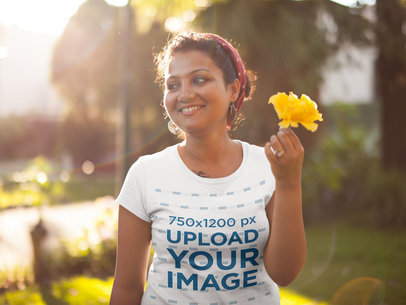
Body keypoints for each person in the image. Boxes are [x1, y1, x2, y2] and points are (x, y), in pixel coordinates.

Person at [110, 32, 307, 305]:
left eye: (199, 79)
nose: (185, 94)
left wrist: (289, 183)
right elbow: (127, 287)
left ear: (234, 90)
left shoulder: (266, 165)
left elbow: (285, 273)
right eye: (173, 84)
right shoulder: (146, 173)